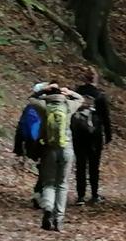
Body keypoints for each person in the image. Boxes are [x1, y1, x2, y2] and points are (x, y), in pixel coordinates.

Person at [28, 81, 84, 231]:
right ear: (61, 94)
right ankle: (58, 220)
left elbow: (31, 99)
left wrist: (42, 92)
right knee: (62, 184)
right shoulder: (68, 106)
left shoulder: (44, 107)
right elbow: (81, 99)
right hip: (66, 149)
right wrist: (70, 92)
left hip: (49, 149)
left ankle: (47, 208)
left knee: (49, 183)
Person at [70, 66, 114, 205]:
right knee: (94, 165)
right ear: (95, 79)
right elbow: (105, 118)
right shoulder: (99, 96)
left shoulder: (76, 94)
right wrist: (108, 136)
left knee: (81, 165)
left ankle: (81, 196)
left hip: (78, 134)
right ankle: (94, 195)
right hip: (94, 135)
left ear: (84, 78)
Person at [13, 82, 47, 208]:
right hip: (40, 142)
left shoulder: (30, 107)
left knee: (44, 169)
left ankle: (40, 194)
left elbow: (21, 127)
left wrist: (18, 148)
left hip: (31, 143)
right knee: (46, 169)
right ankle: (40, 195)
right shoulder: (43, 107)